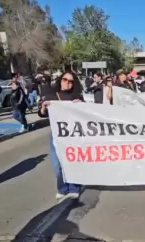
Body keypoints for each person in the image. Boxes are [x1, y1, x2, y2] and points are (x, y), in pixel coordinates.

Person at [38, 71, 84, 201]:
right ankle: (62, 188)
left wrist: (80, 105)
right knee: (57, 165)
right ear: (60, 80)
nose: (67, 83)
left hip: (73, 136)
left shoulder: (77, 97)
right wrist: (43, 107)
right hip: (57, 136)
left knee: (72, 162)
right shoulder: (53, 96)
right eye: (65, 79)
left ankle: (74, 188)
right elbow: (41, 114)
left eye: (70, 81)